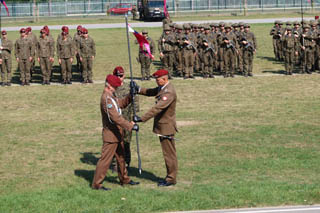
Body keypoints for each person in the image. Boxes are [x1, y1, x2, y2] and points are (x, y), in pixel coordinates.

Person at [92, 74, 140, 191]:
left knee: (121, 158)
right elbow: (115, 118)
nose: (116, 89)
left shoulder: (111, 96)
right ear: (109, 86)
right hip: (111, 135)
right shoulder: (106, 99)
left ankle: (124, 179)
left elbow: (121, 104)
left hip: (117, 134)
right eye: (115, 87)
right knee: (105, 161)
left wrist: (131, 96)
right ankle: (97, 184)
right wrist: (130, 126)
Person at [133, 69, 178, 187]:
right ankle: (170, 176)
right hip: (163, 126)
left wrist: (141, 118)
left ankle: (171, 178)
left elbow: (157, 108)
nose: (157, 82)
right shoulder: (163, 88)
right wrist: (138, 90)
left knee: (169, 154)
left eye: (158, 80)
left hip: (166, 127)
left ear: (165, 78)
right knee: (168, 153)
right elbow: (152, 92)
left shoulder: (168, 92)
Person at [113, 66, 139, 168]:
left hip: (127, 120)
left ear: (124, 76)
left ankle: (127, 163)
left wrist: (134, 119)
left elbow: (135, 104)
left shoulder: (129, 88)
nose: (119, 78)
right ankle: (116, 163)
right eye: (117, 76)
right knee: (116, 142)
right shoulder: (112, 88)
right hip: (116, 120)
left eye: (121, 76)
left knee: (126, 142)